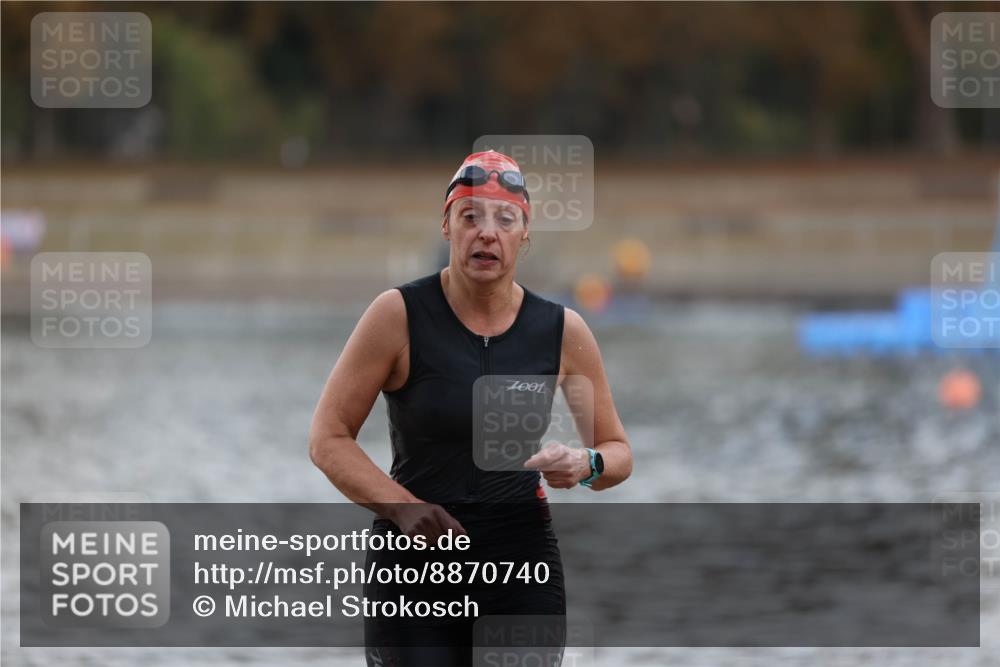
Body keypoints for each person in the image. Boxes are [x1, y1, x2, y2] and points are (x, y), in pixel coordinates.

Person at [309, 149, 632, 666]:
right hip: (414, 565)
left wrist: (586, 464)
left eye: (505, 219)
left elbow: (617, 452)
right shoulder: (398, 315)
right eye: (470, 217)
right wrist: (404, 509)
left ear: (525, 234)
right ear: (447, 227)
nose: (487, 232)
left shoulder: (561, 331)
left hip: (520, 567)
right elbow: (327, 438)